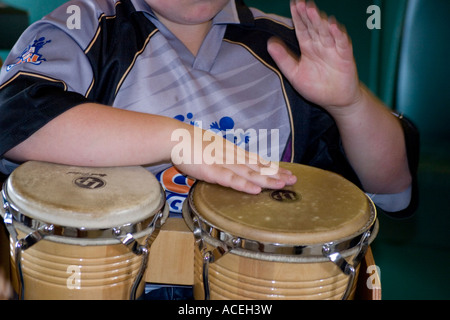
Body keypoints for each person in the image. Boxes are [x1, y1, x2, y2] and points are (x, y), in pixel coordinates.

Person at [0, 0, 418, 217]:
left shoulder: (289, 46)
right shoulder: (82, 25)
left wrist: (350, 105)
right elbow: (16, 119)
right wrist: (181, 141)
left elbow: (391, 188)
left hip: (259, 283)